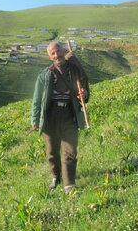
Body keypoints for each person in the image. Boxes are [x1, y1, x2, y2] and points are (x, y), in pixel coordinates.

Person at [31, 42, 90, 194]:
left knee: (70, 151)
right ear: (49, 56)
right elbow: (37, 100)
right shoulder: (45, 75)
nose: (57, 55)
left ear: (64, 51)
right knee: (52, 152)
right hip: (51, 117)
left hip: (70, 114)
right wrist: (35, 120)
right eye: (53, 53)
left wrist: (83, 94)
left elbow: (85, 93)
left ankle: (69, 184)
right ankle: (56, 177)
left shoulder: (75, 71)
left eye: (58, 51)